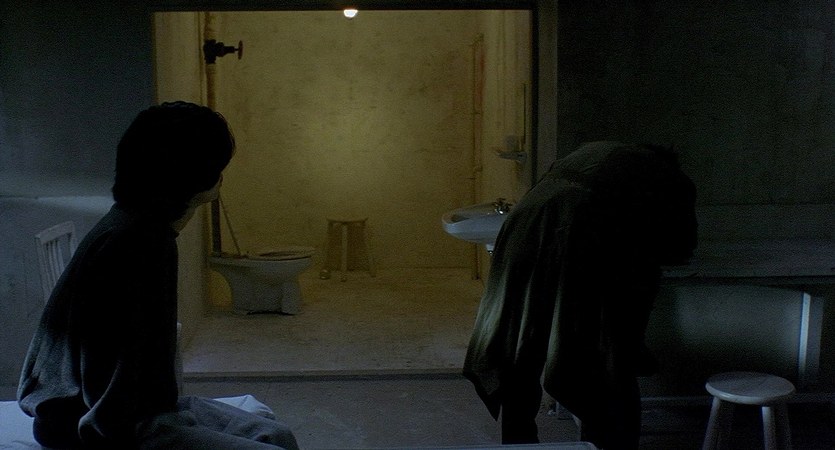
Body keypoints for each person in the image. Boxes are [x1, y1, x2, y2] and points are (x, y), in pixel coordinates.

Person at [17, 101, 299, 449]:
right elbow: (111, 387)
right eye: (217, 166)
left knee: (277, 435)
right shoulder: (138, 242)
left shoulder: (139, 226)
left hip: (136, 410)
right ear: (193, 175)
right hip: (94, 422)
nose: (222, 176)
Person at [463, 141, 698, 449]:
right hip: (575, 232)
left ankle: (519, 441)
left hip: (523, 228)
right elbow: (680, 249)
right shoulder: (670, 178)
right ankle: (606, 442)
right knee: (602, 358)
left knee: (519, 338)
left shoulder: (595, 153)